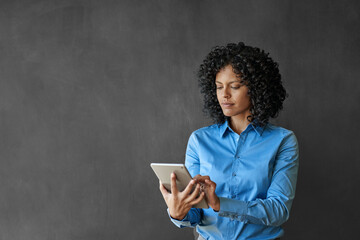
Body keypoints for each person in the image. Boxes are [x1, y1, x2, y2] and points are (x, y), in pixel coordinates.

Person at [159, 42, 299, 240]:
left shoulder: (283, 141)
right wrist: (177, 211)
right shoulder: (199, 140)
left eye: (234, 86)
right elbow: (195, 213)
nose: (224, 95)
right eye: (218, 87)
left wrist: (220, 204)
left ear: (257, 89)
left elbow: (278, 210)